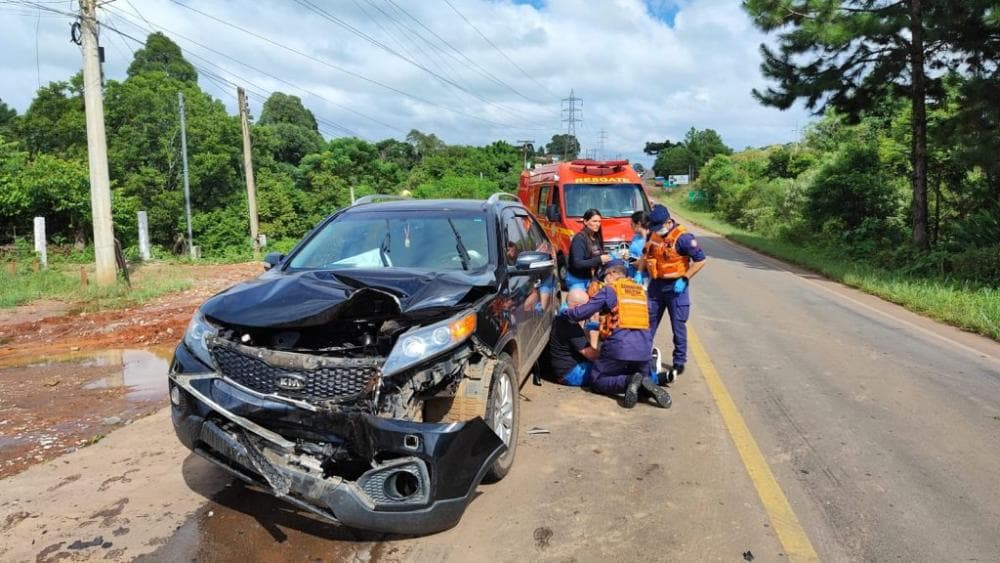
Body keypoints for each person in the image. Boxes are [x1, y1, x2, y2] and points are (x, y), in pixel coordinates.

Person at [563, 260, 671, 409]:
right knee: (642, 376)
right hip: (644, 350)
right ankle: (644, 385)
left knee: (597, 380)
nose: (604, 282)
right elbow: (651, 319)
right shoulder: (642, 292)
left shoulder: (611, 290)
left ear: (613, 274)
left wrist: (565, 313)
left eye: (604, 277)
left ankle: (628, 381)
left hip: (619, 348)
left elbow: (583, 312)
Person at [641, 204, 707, 382]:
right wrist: (641, 274)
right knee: (648, 321)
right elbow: (646, 255)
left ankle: (679, 362)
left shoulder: (684, 238)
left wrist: (685, 278)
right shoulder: (654, 233)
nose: (657, 231)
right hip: (656, 285)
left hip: (676, 287)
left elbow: (700, 260)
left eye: (660, 227)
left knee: (678, 325)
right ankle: (642, 356)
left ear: (669, 222)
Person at [547, 289, 600, 386]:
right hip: (570, 374)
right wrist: (594, 330)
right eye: (587, 306)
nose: (590, 309)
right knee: (609, 367)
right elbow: (592, 355)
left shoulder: (562, 316)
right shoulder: (570, 323)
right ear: (578, 307)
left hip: (565, 370)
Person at [566, 208, 611, 291]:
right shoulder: (579, 238)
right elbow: (577, 263)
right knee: (580, 301)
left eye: (599, 221)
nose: (598, 224)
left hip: (592, 279)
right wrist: (599, 259)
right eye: (594, 221)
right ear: (585, 222)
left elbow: (597, 255)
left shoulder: (596, 237)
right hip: (578, 279)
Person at [624, 210, 650, 285]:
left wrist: (632, 261)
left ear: (638, 224)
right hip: (630, 274)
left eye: (632, 224)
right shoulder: (636, 237)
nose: (630, 227)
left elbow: (647, 261)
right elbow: (631, 253)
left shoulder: (649, 240)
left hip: (643, 278)